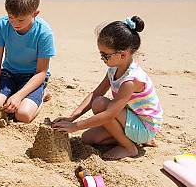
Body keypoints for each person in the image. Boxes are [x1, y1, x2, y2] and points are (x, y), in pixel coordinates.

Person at [53, 16, 162, 160]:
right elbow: (96, 92)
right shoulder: (114, 68)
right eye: (100, 54)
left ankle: (129, 148)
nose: (102, 58)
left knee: (100, 104)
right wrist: (73, 117)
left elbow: (109, 114)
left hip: (144, 126)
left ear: (123, 54)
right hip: (129, 117)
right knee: (88, 138)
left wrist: (75, 126)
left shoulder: (130, 81)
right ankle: (135, 141)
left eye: (105, 55)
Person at [0, 0, 55, 123]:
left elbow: (41, 72)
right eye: (11, 17)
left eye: (21, 19)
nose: (15, 23)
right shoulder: (2, 24)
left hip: (32, 77)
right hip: (8, 73)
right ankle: (10, 94)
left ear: (35, 13)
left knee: (23, 115)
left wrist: (19, 96)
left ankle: (41, 94)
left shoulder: (44, 32)